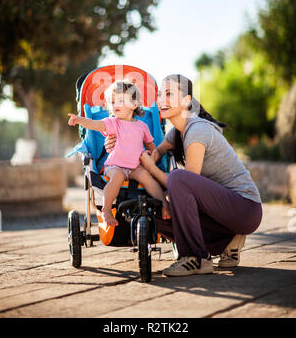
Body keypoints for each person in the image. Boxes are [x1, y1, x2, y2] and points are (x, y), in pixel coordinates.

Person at [105, 74, 263, 276]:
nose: (162, 100)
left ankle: (195, 258)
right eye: (161, 94)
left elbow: (186, 182)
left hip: (244, 208)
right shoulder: (177, 132)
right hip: (220, 213)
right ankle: (228, 239)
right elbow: (155, 154)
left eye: (170, 94)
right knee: (157, 215)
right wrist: (119, 145)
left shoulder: (197, 130)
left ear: (187, 101)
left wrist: (151, 169)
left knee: (179, 178)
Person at [68, 79, 171, 227]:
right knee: (116, 178)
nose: (115, 105)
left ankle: (164, 205)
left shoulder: (142, 127)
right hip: (115, 166)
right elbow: (95, 125)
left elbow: (151, 146)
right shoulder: (113, 123)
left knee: (148, 179)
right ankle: (107, 209)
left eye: (121, 100)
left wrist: (152, 155)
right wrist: (80, 120)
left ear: (135, 104)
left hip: (136, 166)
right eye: (112, 101)